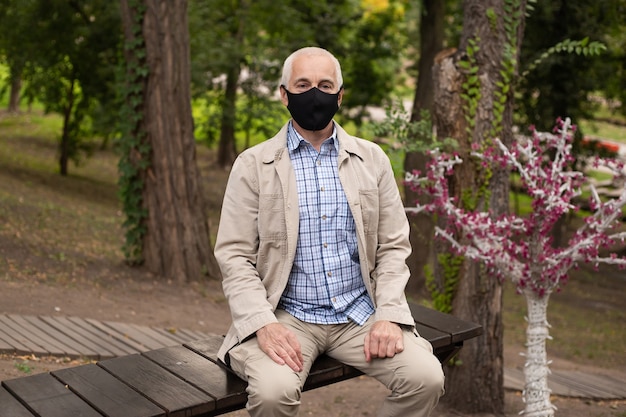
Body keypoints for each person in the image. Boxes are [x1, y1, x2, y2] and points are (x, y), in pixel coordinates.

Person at [214, 46, 444, 417]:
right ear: (284, 94)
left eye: (325, 85)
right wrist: (263, 325)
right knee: (273, 393)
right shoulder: (252, 165)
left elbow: (393, 247)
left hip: (360, 313)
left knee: (426, 378)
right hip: (286, 316)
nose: (314, 94)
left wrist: (387, 314)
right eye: (302, 84)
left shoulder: (372, 160)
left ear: (340, 95)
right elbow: (234, 256)